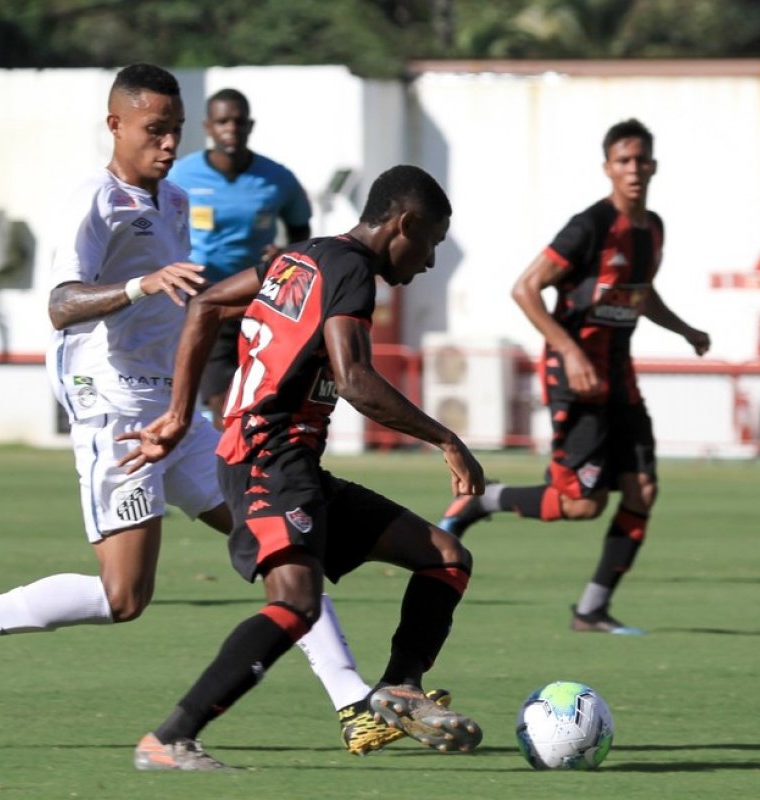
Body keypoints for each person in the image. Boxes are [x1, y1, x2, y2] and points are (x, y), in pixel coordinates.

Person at [0, 64, 419, 758]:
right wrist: (142, 283)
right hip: (113, 410)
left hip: (173, 412)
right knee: (124, 598)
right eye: (155, 130)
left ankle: (354, 705)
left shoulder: (173, 200)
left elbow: (187, 301)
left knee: (286, 544)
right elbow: (61, 304)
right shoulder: (93, 200)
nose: (169, 144)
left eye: (176, 130)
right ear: (115, 125)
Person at [120, 164, 486, 771]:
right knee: (295, 604)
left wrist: (182, 415)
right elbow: (355, 380)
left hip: (290, 463)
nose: (428, 261)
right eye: (432, 243)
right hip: (270, 458)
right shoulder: (352, 271)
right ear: (405, 224)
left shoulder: (301, 257)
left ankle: (399, 688)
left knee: (446, 558)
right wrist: (446, 439)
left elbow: (207, 303)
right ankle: (170, 739)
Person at [438, 118, 710, 635]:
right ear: (608, 168)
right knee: (583, 504)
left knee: (642, 491)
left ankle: (591, 611)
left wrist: (685, 330)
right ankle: (485, 499)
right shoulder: (589, 226)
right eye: (624, 160)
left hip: (619, 379)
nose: (634, 169)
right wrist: (570, 350)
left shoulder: (652, 229)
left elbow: (640, 293)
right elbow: (525, 288)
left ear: (653, 165)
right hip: (575, 378)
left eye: (641, 160)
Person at [168, 88, 312, 429]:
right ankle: (226, 459)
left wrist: (285, 255)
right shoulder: (180, 176)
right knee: (221, 400)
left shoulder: (277, 178)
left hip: (257, 298)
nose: (231, 128)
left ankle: (249, 457)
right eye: (222, 121)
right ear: (208, 127)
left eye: (238, 121)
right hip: (204, 297)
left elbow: (301, 233)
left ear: (250, 125)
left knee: (261, 396)